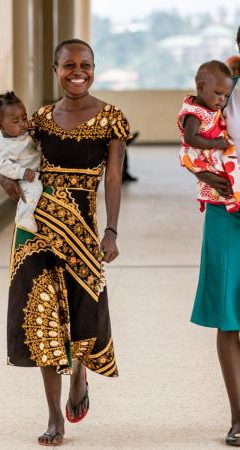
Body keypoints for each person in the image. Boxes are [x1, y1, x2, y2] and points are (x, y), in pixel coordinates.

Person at [0, 39, 130, 446]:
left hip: (84, 231)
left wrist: (111, 231)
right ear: (55, 69)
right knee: (42, 319)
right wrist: (4, 179)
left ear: (94, 68)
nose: (78, 71)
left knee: (82, 315)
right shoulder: (37, 118)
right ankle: (54, 416)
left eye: (85, 64)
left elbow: (112, 178)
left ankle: (80, 375)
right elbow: (9, 152)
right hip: (36, 232)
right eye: (69, 64)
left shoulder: (112, 119)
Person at [183, 26, 240, 446]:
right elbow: (188, 137)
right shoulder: (225, 87)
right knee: (228, 315)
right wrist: (200, 171)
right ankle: (239, 418)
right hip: (227, 213)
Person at [178, 60, 240, 213]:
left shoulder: (209, 106)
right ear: (201, 87)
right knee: (226, 185)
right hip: (207, 156)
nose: (222, 100)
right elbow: (190, 139)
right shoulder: (195, 112)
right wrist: (216, 144)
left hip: (215, 152)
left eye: (225, 96)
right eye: (219, 94)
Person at [0, 91, 43, 233]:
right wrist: (22, 172)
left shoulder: (23, 131)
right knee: (34, 190)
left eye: (24, 118)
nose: (23, 124)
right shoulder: (3, 145)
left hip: (36, 169)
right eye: (15, 121)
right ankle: (24, 217)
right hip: (24, 177)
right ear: (0, 125)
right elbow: (0, 164)